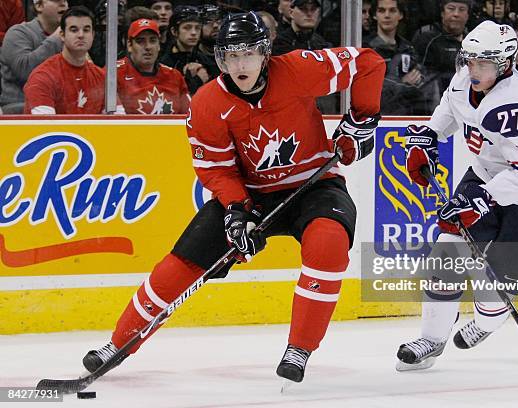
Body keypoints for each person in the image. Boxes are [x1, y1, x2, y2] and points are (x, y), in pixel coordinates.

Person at [81, 11, 384, 384]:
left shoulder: (299, 69)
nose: (240, 65)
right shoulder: (208, 103)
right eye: (230, 56)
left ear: (264, 53)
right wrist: (238, 213)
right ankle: (118, 344)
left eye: (247, 54)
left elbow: (369, 63)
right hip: (251, 193)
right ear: (220, 59)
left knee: (329, 243)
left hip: (314, 185)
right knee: (180, 264)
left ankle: (300, 348)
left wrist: (361, 120)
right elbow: (217, 170)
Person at [397, 20, 518, 370]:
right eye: (470, 61)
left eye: (483, 63)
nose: (473, 69)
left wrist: (480, 199)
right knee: (446, 251)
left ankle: (487, 320)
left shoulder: (517, 104)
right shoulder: (465, 78)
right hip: (488, 177)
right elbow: (449, 112)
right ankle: (432, 339)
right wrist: (429, 138)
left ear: (506, 63)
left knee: (493, 295)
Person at [23, 6, 125, 114]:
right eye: (74, 30)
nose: (81, 35)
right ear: (62, 35)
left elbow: (119, 123)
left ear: (93, 35)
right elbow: (45, 127)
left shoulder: (101, 77)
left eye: (86, 30)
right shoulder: (43, 76)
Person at [0, 0, 67, 113]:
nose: (63, 4)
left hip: (59, 106)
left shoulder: (70, 37)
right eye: (56, 0)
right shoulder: (18, 32)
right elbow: (24, 70)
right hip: (19, 109)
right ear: (39, 6)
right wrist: (55, 39)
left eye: (65, 0)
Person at [117, 18, 190, 114]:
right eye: (140, 41)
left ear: (159, 45)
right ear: (129, 45)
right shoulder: (114, 74)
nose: (148, 47)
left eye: (153, 40)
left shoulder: (174, 76)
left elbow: (190, 116)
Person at [411, 0, 470, 98]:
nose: (456, 14)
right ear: (442, 13)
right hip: (435, 100)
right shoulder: (427, 39)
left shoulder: (473, 41)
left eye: (462, 9)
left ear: (467, 15)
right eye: (451, 9)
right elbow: (422, 77)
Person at [160, 5, 218, 95]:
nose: (194, 33)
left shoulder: (207, 61)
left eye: (197, 28)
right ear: (174, 31)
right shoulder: (164, 63)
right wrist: (197, 80)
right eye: (187, 28)